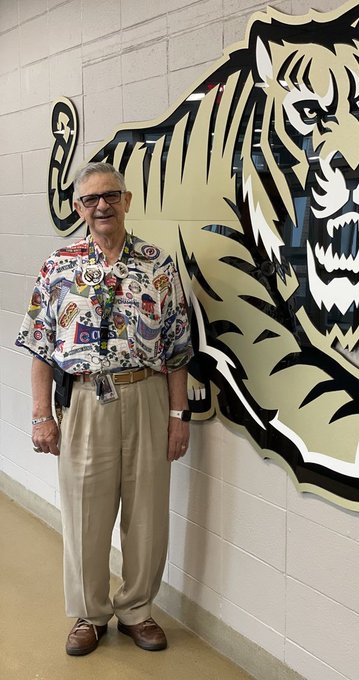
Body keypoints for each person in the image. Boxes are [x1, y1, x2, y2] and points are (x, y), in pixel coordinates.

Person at [16, 162, 193, 656]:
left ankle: (137, 609)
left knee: (148, 512)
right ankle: (90, 614)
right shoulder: (59, 265)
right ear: (79, 208)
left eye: (110, 196)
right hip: (84, 399)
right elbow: (40, 347)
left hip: (147, 396)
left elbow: (178, 347)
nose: (101, 206)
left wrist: (179, 417)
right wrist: (40, 416)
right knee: (85, 514)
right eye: (91, 199)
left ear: (127, 200)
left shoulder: (159, 264)